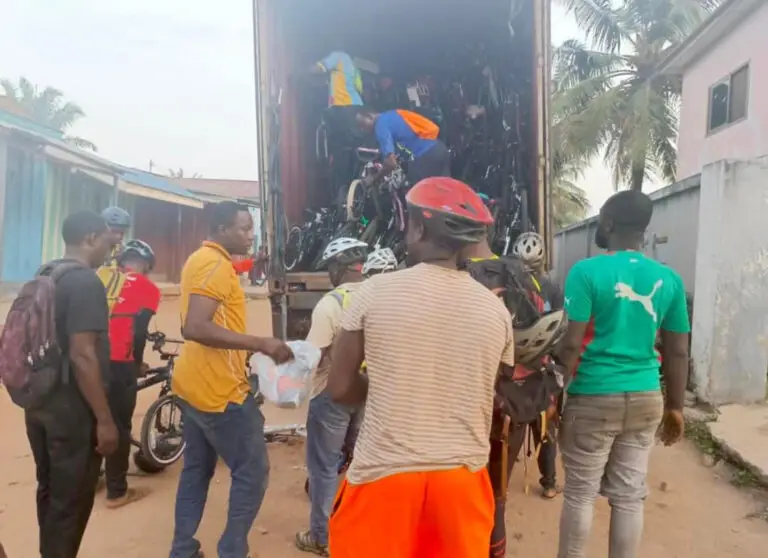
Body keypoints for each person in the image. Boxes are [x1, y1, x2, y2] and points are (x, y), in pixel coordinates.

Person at [326, 177, 513, 558]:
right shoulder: (495, 310)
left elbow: (340, 387)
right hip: (461, 482)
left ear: (418, 228)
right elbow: (488, 388)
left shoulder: (373, 293)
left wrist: (384, 388)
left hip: (384, 476)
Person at [556, 190, 690, 558]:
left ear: (610, 223)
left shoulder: (585, 272)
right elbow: (678, 349)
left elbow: (570, 345)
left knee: (581, 494)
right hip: (647, 397)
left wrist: (554, 395)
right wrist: (676, 408)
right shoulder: (669, 280)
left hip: (593, 397)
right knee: (630, 496)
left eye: (601, 218)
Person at [169, 201, 293, 558]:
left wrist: (254, 264)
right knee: (253, 471)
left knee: (196, 470)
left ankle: (182, 549)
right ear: (223, 229)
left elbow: (220, 285)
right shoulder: (215, 266)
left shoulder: (204, 258)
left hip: (192, 385)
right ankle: (233, 549)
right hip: (219, 392)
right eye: (243, 229)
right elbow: (194, 327)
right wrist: (261, 343)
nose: (250, 235)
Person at [460, 234, 566, 558]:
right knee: (500, 485)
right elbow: (557, 335)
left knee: (480, 487)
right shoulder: (543, 288)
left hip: (484, 394)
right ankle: (548, 480)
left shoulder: (466, 280)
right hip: (526, 389)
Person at [25, 210, 118, 558]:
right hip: (71, 411)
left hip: (39, 402)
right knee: (72, 501)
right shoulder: (86, 282)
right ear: (91, 238)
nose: (111, 245)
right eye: (108, 237)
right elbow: (83, 355)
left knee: (50, 492)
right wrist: (105, 420)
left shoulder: (46, 272)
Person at [295, 237, 369, 557]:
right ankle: (357, 527)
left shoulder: (331, 304)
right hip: (368, 391)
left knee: (324, 466)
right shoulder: (378, 295)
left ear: (338, 268)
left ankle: (321, 537)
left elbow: (313, 355)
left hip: (332, 393)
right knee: (359, 462)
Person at [102, 240, 160, 508]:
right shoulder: (148, 288)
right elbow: (138, 331)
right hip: (119, 362)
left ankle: (92, 481)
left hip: (89, 360)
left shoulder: (105, 279)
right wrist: (137, 363)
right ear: (147, 265)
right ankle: (117, 492)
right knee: (119, 424)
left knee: (95, 419)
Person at [310, 50, 365, 196]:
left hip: (342, 108)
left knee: (339, 151)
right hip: (355, 108)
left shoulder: (339, 56)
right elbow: (359, 88)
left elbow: (319, 68)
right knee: (354, 151)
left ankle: (340, 195)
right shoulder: (354, 67)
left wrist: (302, 71)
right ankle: (354, 190)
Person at [356, 109, 451, 187]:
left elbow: (391, 163)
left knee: (413, 197)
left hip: (425, 156)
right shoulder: (393, 114)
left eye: (362, 125)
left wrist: (374, 178)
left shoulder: (380, 126)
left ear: (369, 116)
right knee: (445, 194)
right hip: (439, 148)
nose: (362, 130)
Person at [97, 206, 132, 312]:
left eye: (122, 233)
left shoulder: (121, 250)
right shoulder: (94, 250)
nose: (120, 236)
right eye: (115, 232)